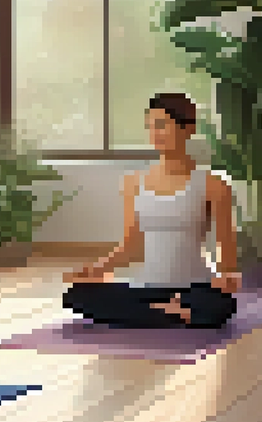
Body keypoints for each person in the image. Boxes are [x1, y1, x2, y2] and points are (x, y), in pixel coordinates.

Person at [62, 92, 241, 329]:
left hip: (195, 286)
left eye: (162, 125)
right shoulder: (133, 183)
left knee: (222, 305)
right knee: (76, 296)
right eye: (150, 127)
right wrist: (96, 269)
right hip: (147, 287)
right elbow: (130, 246)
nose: (154, 134)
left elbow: (225, 247)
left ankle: (165, 312)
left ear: (188, 128)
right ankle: (174, 313)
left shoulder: (213, 184)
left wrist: (227, 276)